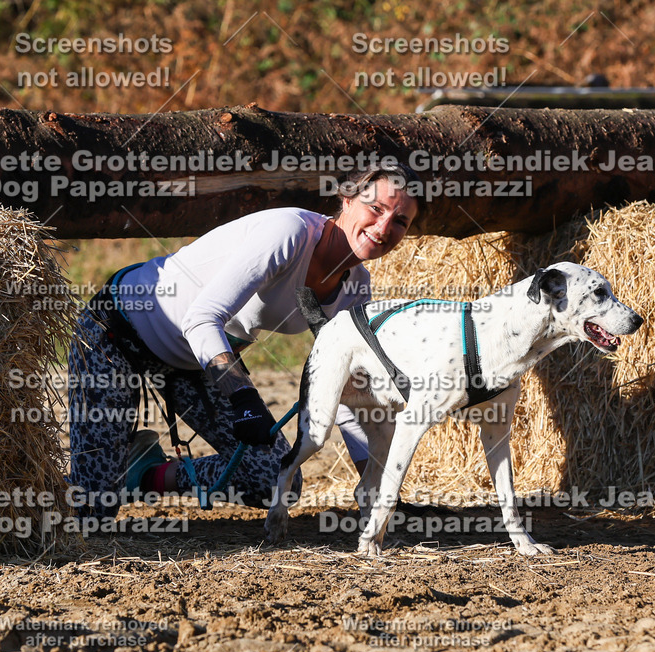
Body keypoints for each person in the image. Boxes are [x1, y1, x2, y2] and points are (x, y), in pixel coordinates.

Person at [67, 162, 423, 518]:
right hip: (117, 332)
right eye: (376, 208)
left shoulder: (356, 289)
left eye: (400, 221)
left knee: (275, 481)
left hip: (196, 363)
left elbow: (348, 390)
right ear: (346, 199)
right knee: (91, 511)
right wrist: (244, 399)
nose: (383, 227)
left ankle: (146, 474)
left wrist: (380, 491)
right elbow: (201, 319)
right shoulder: (290, 232)